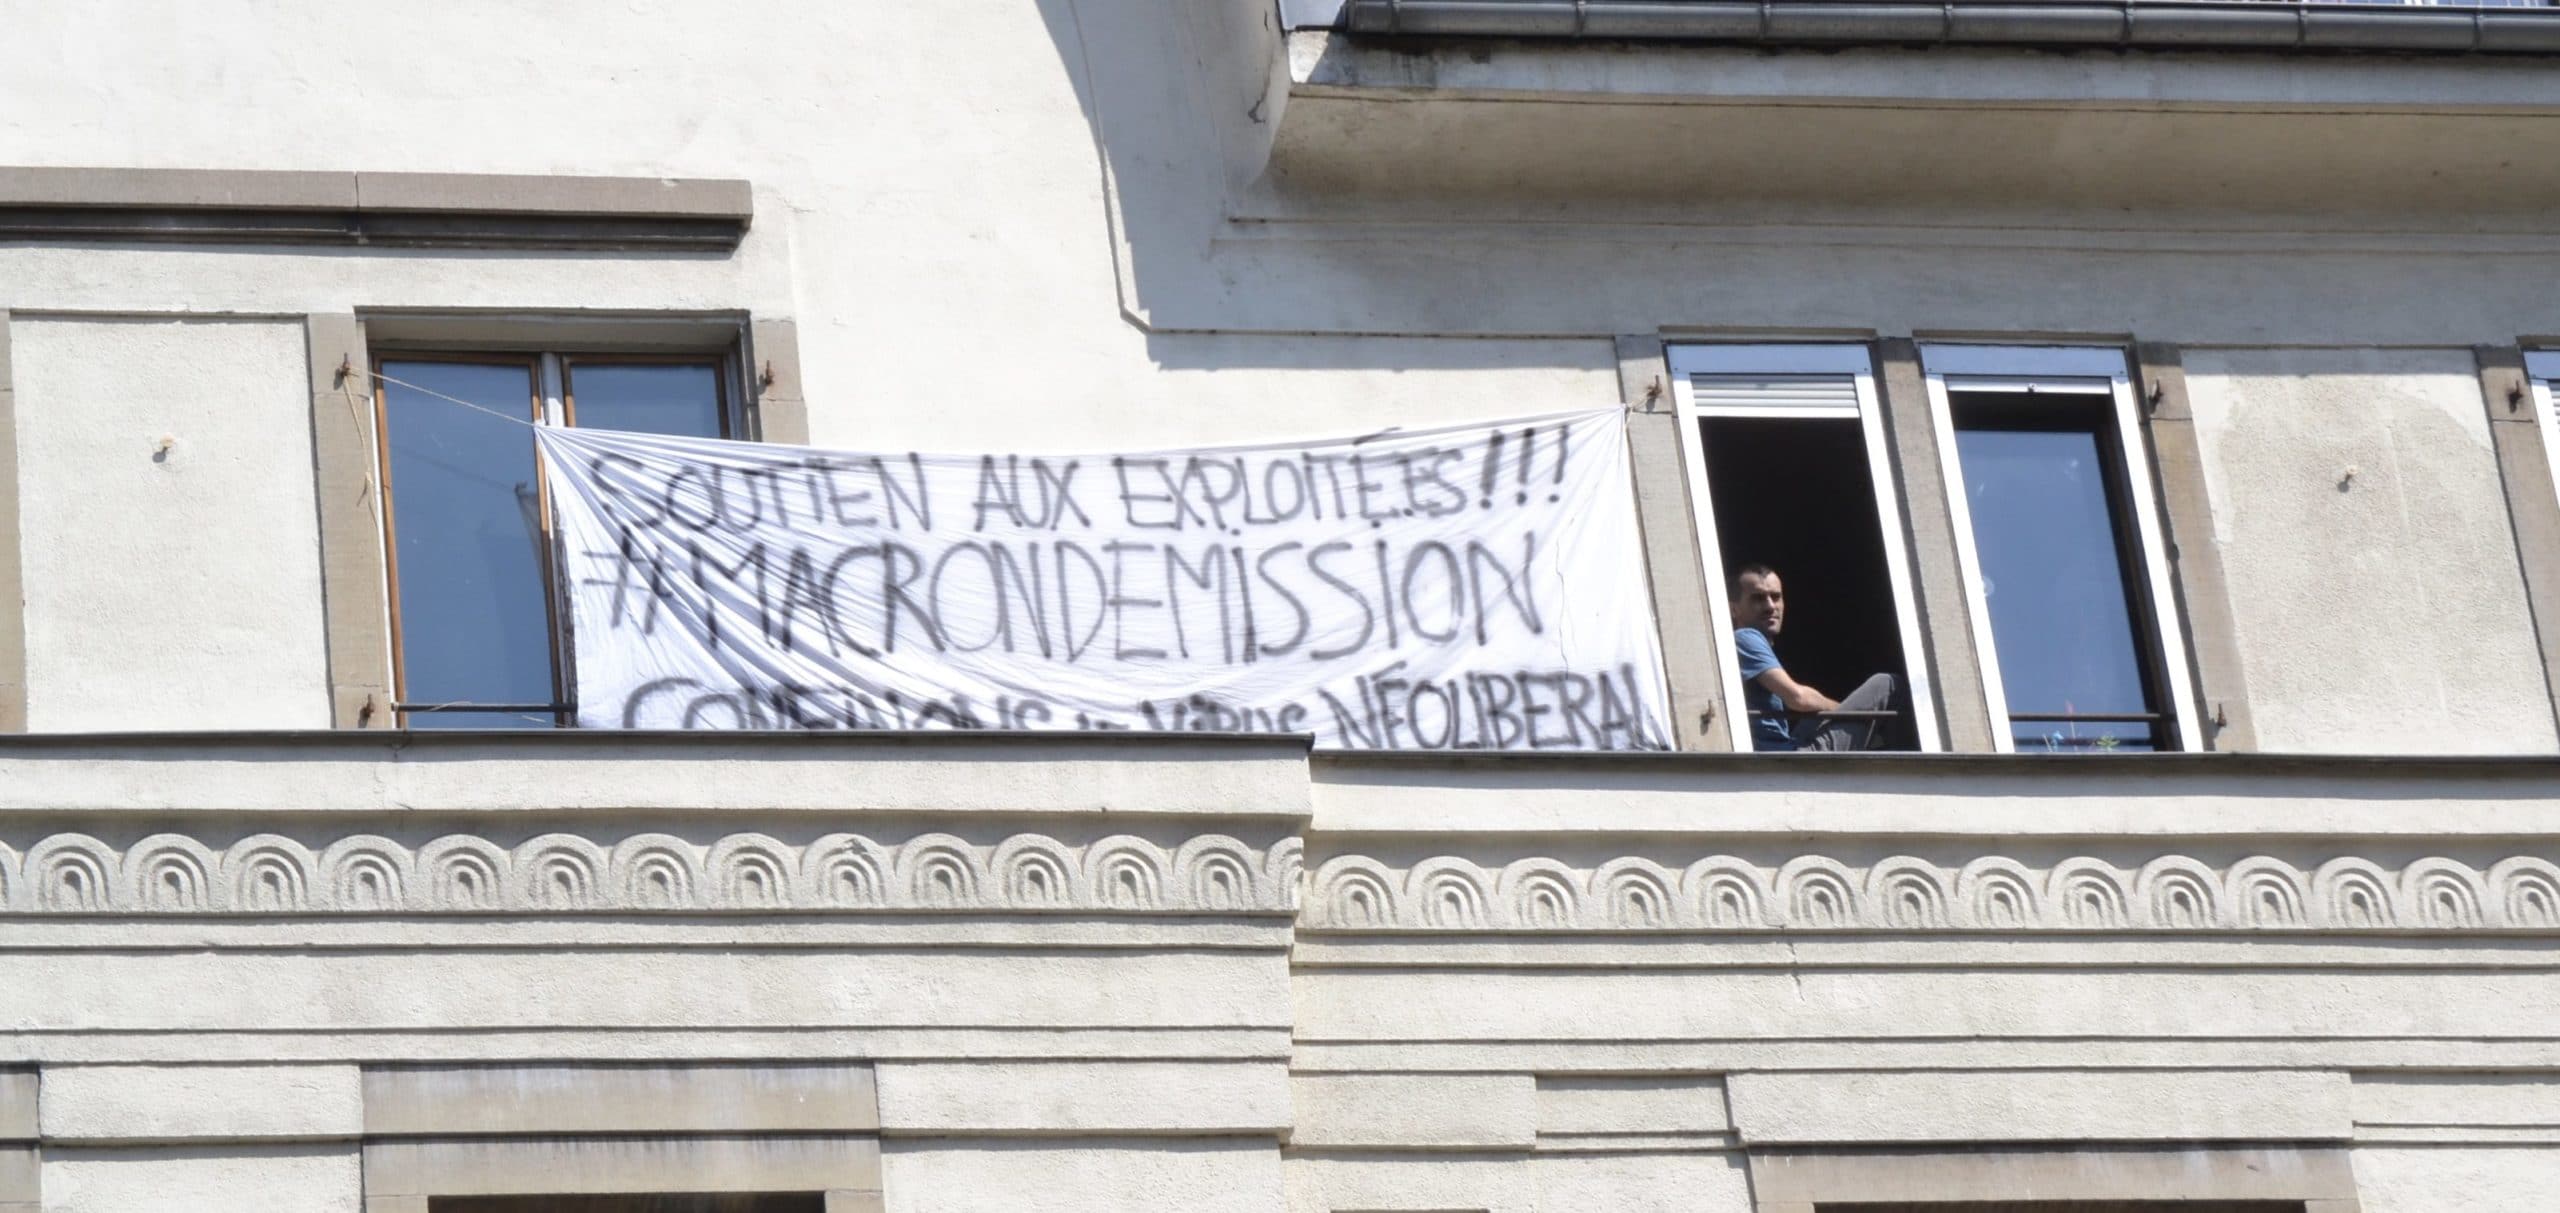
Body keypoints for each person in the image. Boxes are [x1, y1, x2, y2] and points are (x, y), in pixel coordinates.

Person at [1729, 564, 1896, 752]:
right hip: (1784, 758)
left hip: (1785, 747)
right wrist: (1846, 711)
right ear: (1734, 609)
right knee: (1887, 684)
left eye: (1776, 597)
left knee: (1815, 718)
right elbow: (1798, 699)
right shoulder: (1744, 638)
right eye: (1758, 598)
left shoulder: (1747, 642)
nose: (1770, 606)